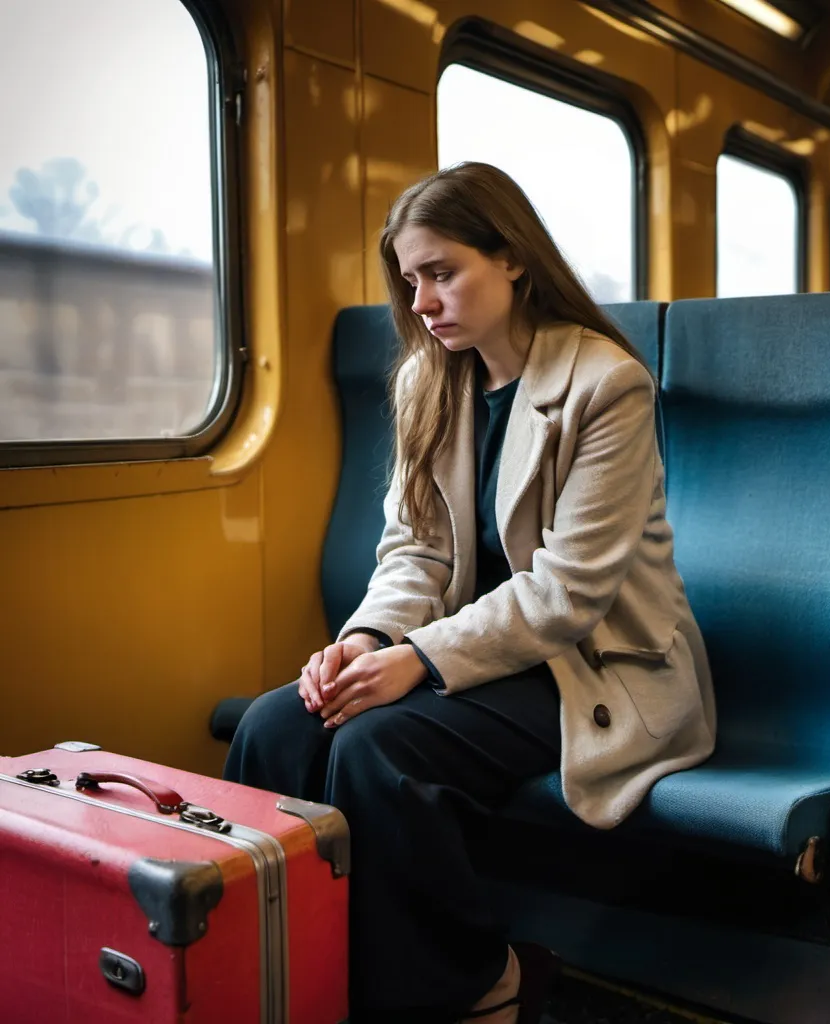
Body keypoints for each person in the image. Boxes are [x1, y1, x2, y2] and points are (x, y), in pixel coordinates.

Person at [225, 161, 716, 1023]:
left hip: (590, 668)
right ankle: (293, 973)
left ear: (514, 258)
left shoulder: (606, 386)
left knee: (378, 751)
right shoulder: (430, 381)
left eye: (442, 273)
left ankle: (474, 980)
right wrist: (371, 642)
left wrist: (419, 659)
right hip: (464, 655)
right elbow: (413, 546)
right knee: (275, 727)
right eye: (411, 280)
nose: (420, 303)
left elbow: (570, 591)